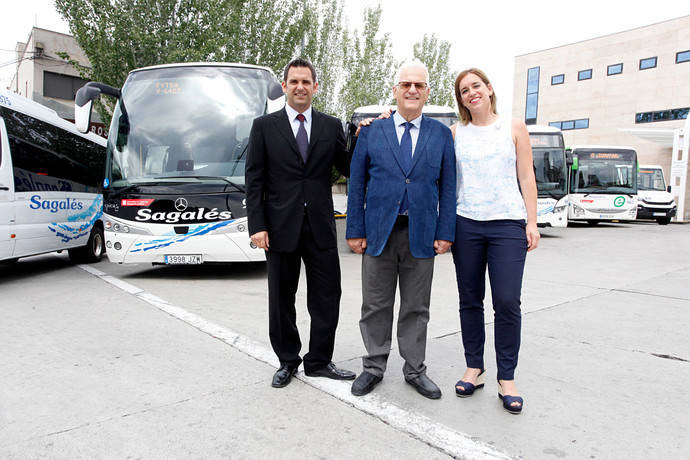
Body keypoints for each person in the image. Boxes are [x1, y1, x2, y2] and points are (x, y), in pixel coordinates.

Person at [346, 62, 456, 399]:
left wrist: (445, 232)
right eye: (405, 84)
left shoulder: (440, 135)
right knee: (375, 304)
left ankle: (414, 370)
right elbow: (357, 185)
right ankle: (374, 367)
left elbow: (449, 188)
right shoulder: (371, 132)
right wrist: (354, 230)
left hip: (422, 233)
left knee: (416, 306)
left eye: (418, 85)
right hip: (379, 231)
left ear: (426, 92)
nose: (412, 90)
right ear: (395, 90)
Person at [245, 58, 355, 388]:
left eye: (306, 81)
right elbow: (254, 179)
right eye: (294, 81)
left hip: (321, 225)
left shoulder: (329, 125)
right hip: (279, 227)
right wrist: (257, 225)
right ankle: (288, 360)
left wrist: (361, 136)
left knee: (327, 295)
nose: (300, 87)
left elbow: (348, 168)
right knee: (281, 298)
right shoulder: (264, 126)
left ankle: (319, 360)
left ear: (315, 87)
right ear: (285, 86)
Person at [450, 68, 539, 414]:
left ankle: (507, 377)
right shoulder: (456, 133)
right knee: (470, 299)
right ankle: (475, 367)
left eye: (476, 86)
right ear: (460, 100)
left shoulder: (514, 127)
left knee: (506, 301)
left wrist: (532, 221)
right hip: (466, 223)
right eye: (463, 90)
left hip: (507, 225)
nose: (471, 93)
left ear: (489, 89)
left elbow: (526, 174)